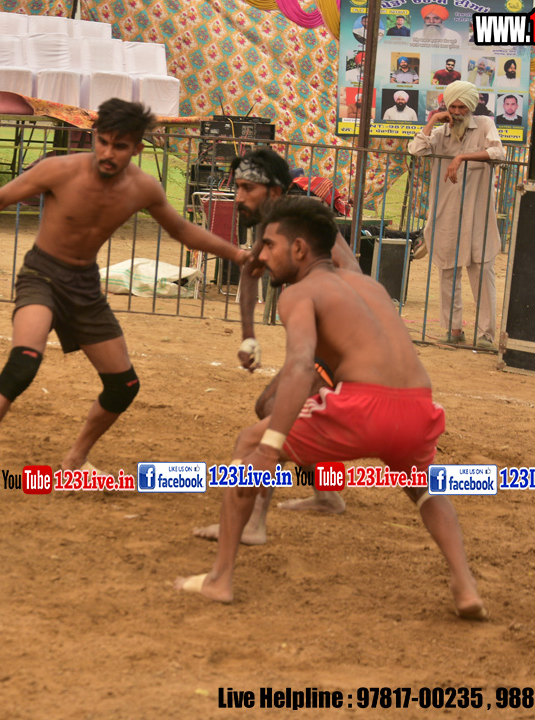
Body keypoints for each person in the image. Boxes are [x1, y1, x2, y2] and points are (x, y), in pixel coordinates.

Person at [174, 196, 486, 621]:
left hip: (363, 407)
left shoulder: (300, 293)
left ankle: (219, 579)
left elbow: (301, 367)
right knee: (426, 488)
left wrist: (270, 446)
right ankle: (464, 584)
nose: (261, 255)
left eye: (269, 245)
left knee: (248, 444)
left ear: (299, 249)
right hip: (419, 407)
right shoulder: (370, 286)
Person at [0, 99, 251, 510]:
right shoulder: (58, 170)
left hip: (85, 286)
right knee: (23, 363)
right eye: (103, 141)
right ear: (93, 137)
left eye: (120, 146)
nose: (108, 153)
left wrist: (237, 254)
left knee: (124, 386)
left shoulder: (143, 188)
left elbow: (182, 230)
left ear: (137, 148)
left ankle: (75, 459)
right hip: (42, 276)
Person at [191, 149, 362, 546]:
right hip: (327, 343)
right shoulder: (271, 223)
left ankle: (253, 521)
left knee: (275, 411)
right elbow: (250, 270)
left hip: (342, 344)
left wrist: (328, 323)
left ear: (273, 190)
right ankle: (327, 494)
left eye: (246, 188)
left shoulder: (303, 217)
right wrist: (248, 336)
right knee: (271, 407)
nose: (238, 197)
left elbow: (352, 272)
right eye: (236, 187)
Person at [408, 81, 504, 348]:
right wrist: (432, 122)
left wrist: (461, 158)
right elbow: (416, 150)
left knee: (482, 272)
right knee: (448, 272)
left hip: (478, 214)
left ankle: (486, 335)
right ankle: (454, 331)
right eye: (453, 107)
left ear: (471, 107)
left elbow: (498, 151)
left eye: (462, 107)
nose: (458, 112)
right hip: (447, 214)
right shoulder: (440, 133)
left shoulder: (484, 125)